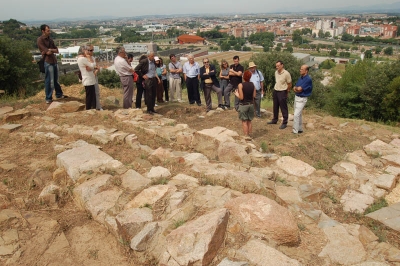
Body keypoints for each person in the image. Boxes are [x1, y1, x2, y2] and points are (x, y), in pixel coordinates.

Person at [37, 24, 67, 104]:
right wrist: (50, 50)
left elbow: (56, 50)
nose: (49, 32)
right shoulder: (40, 40)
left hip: (54, 61)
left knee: (56, 80)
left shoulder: (50, 39)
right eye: (48, 30)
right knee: (49, 80)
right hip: (48, 61)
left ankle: (59, 94)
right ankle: (48, 98)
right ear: (43, 31)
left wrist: (50, 50)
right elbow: (47, 52)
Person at [267, 60, 292, 129]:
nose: (277, 67)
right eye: (276, 66)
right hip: (276, 90)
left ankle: (284, 122)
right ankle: (274, 119)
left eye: (278, 66)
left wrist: (287, 91)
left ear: (282, 65)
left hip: (282, 91)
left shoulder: (286, 73)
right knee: (275, 106)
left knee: (283, 107)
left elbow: (289, 83)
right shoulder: (276, 72)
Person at [233, 70, 256, 138]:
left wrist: (237, 94)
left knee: (244, 121)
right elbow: (254, 96)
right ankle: (250, 135)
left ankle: (246, 136)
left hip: (244, 105)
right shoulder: (252, 84)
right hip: (251, 104)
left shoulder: (240, 85)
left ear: (243, 77)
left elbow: (241, 97)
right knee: (249, 120)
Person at [292, 65, 313, 134]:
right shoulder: (301, 78)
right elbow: (295, 87)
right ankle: (300, 129)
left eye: (302, 69)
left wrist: (297, 89)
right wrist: (296, 89)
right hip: (297, 97)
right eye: (300, 69)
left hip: (302, 99)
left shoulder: (308, 79)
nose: (300, 70)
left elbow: (300, 89)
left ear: (306, 71)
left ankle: (295, 131)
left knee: (296, 114)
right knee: (299, 114)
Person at [77, 45, 97, 110]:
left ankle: (92, 108)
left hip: (90, 79)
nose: (88, 52)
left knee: (92, 95)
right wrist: (90, 59)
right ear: (83, 51)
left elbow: (91, 67)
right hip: (87, 79)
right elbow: (92, 65)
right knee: (89, 96)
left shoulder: (83, 58)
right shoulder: (82, 59)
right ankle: (89, 109)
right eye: (87, 50)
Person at [87, 45, 102, 111]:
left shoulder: (93, 57)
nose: (92, 52)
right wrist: (95, 70)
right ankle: (92, 107)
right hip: (89, 77)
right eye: (90, 50)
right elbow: (88, 68)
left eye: (92, 50)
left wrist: (97, 69)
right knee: (90, 94)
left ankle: (97, 106)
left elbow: (97, 66)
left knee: (96, 92)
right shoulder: (85, 59)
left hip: (94, 76)